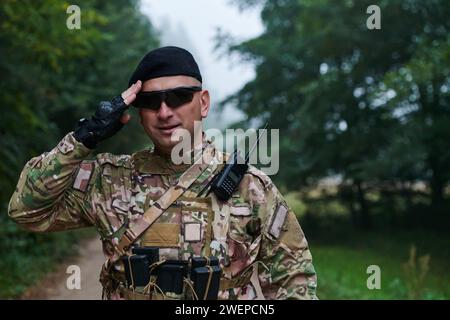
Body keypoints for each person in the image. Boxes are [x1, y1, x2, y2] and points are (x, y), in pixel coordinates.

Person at [8, 46, 318, 300]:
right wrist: (84, 137)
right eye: (151, 101)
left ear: (204, 102)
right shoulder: (108, 180)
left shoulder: (250, 187)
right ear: (137, 113)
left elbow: (294, 280)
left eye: (179, 96)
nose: (165, 112)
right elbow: (26, 209)